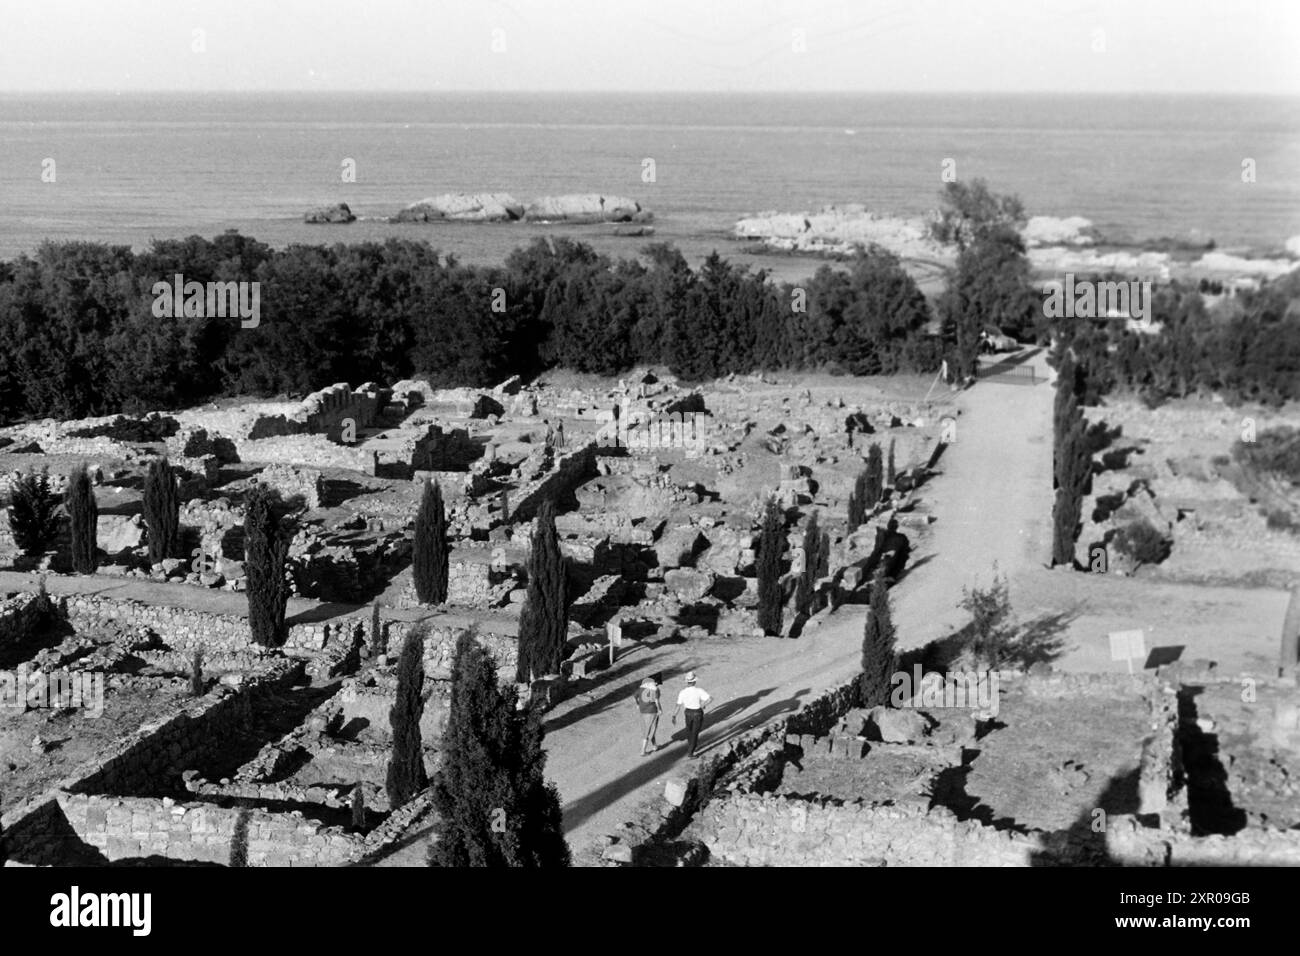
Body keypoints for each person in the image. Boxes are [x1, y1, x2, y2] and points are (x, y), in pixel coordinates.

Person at [672, 671, 712, 758]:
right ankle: (691, 752)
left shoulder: (682, 692)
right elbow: (710, 699)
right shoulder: (699, 691)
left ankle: (691, 746)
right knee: (695, 733)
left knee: (689, 731)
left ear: (687, 682)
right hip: (697, 712)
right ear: (694, 681)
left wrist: (674, 715)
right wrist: (702, 705)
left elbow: (678, 705)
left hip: (688, 713)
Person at [633, 673, 662, 756]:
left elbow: (634, 696)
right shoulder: (656, 690)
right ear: (655, 683)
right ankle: (643, 751)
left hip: (642, 711)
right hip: (652, 711)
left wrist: (638, 704)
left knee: (647, 728)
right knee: (650, 729)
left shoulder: (640, 689)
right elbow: (657, 701)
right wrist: (660, 710)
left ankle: (654, 745)